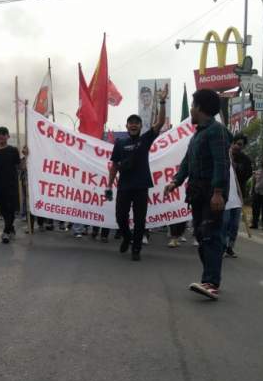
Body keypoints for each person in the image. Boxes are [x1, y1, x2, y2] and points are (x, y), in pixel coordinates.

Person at [163, 88, 230, 300]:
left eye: (193, 106)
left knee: (210, 233)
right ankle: (210, 277)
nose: (191, 110)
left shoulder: (216, 131)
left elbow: (222, 163)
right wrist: (175, 181)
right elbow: (187, 162)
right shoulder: (198, 134)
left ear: (199, 107)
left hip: (212, 192)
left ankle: (211, 282)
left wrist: (218, 192)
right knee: (201, 234)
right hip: (197, 192)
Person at [106, 84, 169, 261]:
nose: (133, 125)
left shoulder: (145, 139)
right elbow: (114, 166)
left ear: (141, 126)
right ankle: (127, 237)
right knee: (120, 217)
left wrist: (163, 101)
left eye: (137, 122)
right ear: (126, 126)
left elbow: (160, 122)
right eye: (131, 122)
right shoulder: (119, 143)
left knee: (140, 220)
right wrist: (109, 185)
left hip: (141, 186)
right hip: (124, 187)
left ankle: (136, 249)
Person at [0, 127, 21, 243]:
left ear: (8, 136)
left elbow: (20, 167)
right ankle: (10, 227)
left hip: (12, 184)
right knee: (3, 208)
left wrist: (26, 156)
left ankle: (6, 231)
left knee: (10, 207)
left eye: (3, 134)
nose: (1, 136)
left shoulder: (13, 150)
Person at [223, 133, 252, 258]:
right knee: (225, 221)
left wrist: (237, 168)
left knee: (234, 224)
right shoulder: (224, 155)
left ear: (243, 146)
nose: (236, 146)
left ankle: (230, 247)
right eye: (235, 143)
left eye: (240, 144)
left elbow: (247, 174)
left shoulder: (245, 159)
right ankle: (222, 246)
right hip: (225, 195)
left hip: (238, 196)